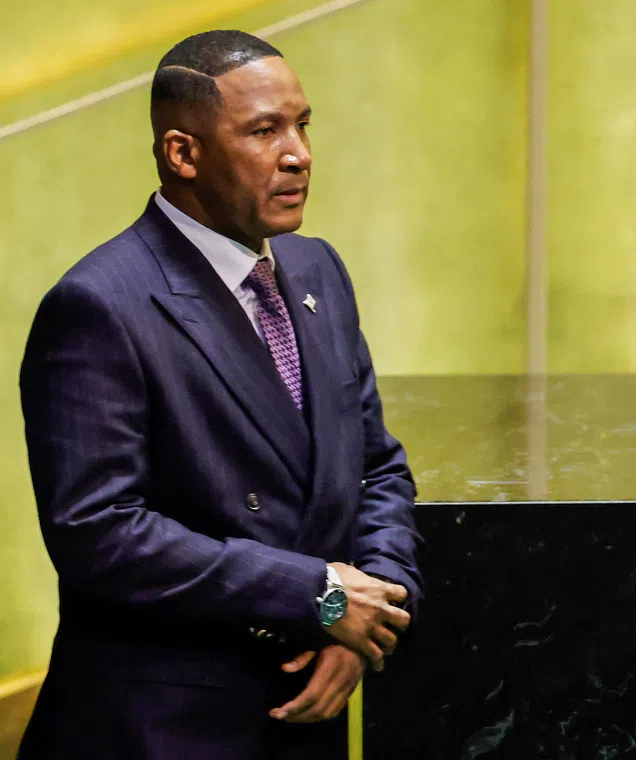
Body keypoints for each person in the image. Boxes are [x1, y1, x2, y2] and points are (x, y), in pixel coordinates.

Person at [17, 29, 422, 760]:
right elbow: (98, 535)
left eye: (302, 123)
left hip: (306, 714)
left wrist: (371, 619)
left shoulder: (316, 271)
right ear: (183, 153)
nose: (298, 152)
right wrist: (319, 597)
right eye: (264, 130)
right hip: (163, 731)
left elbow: (378, 469)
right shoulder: (99, 306)